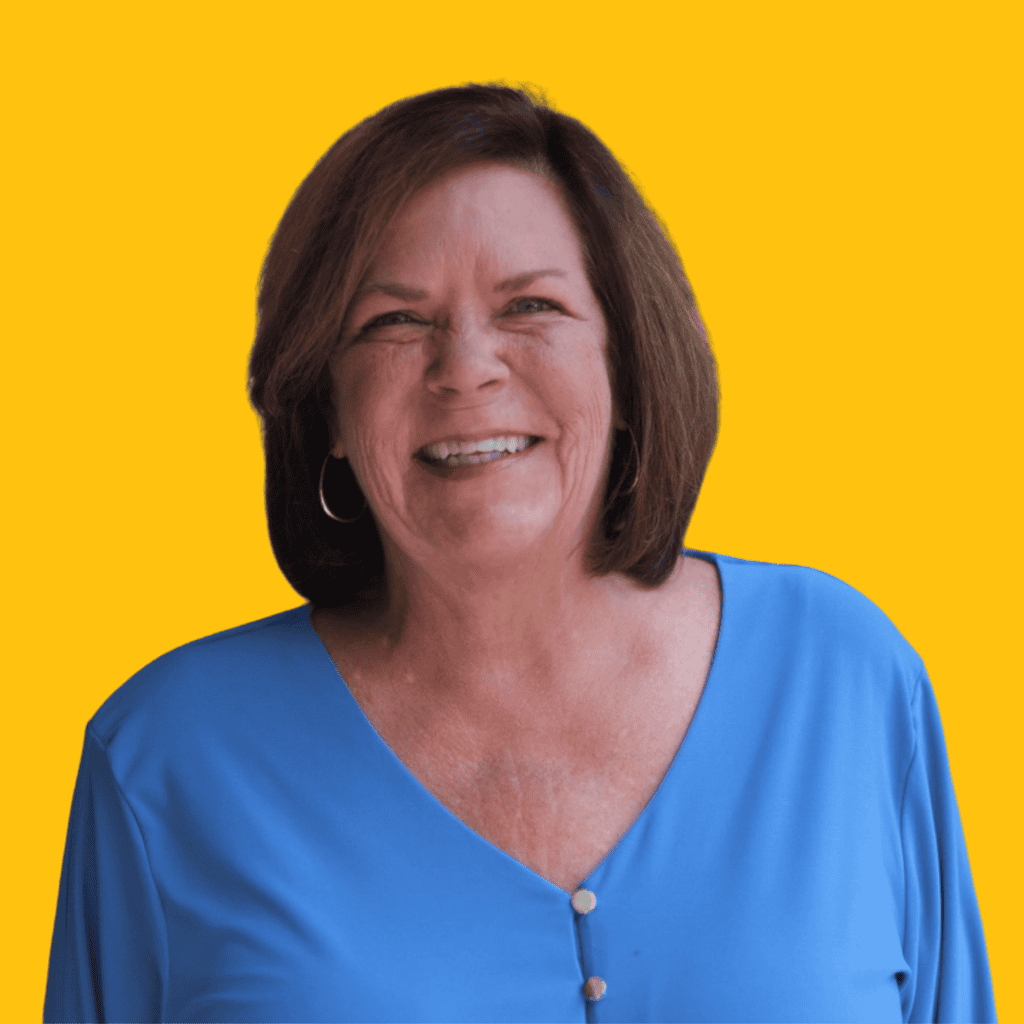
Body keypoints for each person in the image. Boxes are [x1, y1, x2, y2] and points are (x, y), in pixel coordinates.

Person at [44, 83, 995, 1024]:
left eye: (531, 305)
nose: (467, 368)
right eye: (393, 321)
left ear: (625, 361)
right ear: (324, 403)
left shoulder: (843, 680)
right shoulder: (166, 760)